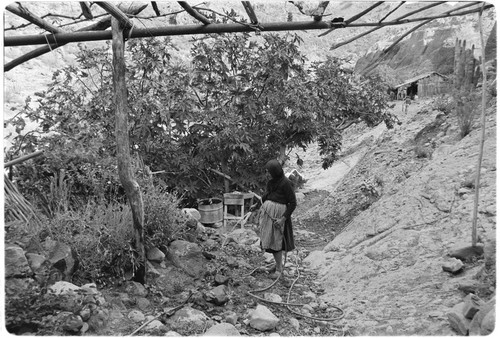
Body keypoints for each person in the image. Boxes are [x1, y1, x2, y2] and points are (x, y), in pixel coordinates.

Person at [251, 159, 297, 278]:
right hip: (269, 216)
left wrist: (283, 219)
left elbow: (293, 202)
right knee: (271, 240)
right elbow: (267, 195)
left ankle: (279, 270)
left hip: (278, 217)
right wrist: (257, 205)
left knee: (277, 241)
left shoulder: (286, 183)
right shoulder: (271, 182)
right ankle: (277, 265)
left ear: (275, 171)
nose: (268, 174)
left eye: (269, 171)